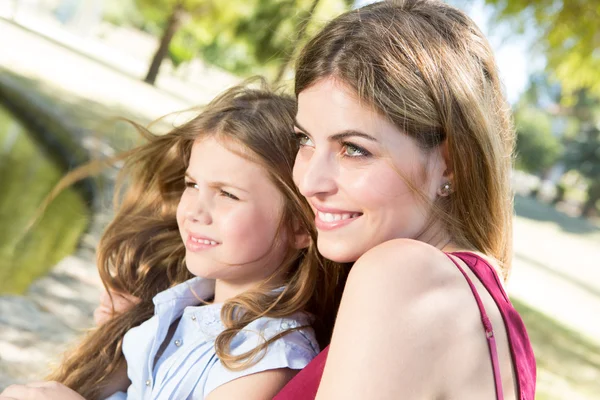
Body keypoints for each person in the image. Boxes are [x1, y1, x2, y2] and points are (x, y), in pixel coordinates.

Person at [0, 82, 347, 400]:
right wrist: (112, 336)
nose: (196, 210)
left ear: (301, 227)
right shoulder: (180, 305)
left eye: (228, 194)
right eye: (192, 184)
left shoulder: (270, 354)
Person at [273, 1, 536, 399]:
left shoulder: (400, 275)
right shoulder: (493, 314)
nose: (309, 180)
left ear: (450, 164)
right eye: (304, 139)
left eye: (354, 149)